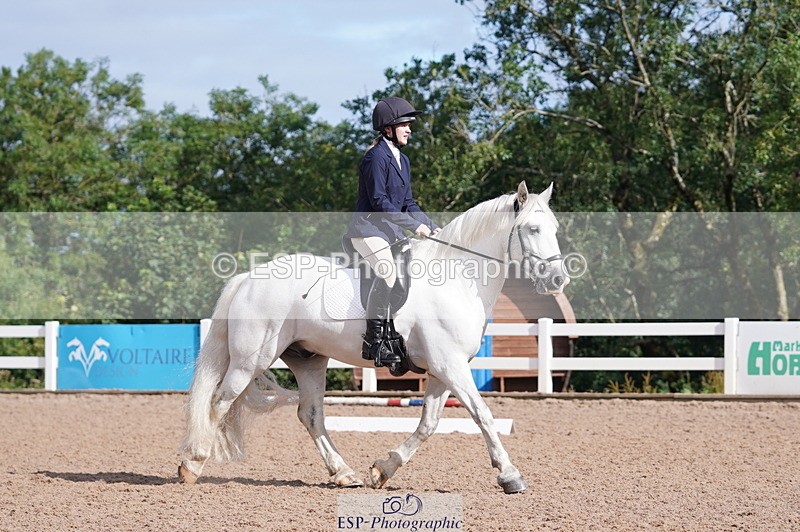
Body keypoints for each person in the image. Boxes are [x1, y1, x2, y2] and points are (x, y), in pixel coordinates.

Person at [344, 97, 439, 368]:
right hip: (368, 229)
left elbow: (408, 202)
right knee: (386, 270)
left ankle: (394, 337)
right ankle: (374, 341)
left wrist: (430, 225)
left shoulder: (403, 160)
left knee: (411, 274)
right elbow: (379, 201)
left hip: (390, 231)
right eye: (404, 124)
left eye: (409, 124)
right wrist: (413, 226)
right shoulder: (375, 158)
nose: (409, 129)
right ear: (388, 129)